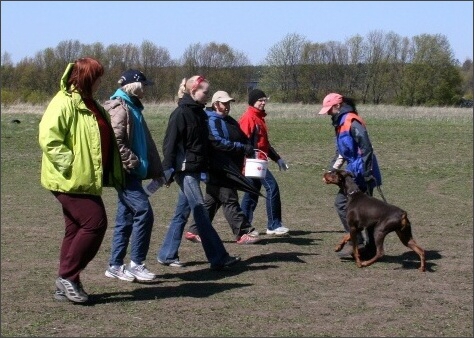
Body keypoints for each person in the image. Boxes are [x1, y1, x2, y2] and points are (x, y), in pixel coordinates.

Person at [38, 57, 125, 303]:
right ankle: (67, 276)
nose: (100, 81)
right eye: (97, 76)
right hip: (70, 178)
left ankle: (65, 284)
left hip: (85, 178)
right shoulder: (64, 102)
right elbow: (49, 138)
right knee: (95, 223)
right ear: (87, 77)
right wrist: (72, 164)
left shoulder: (89, 102)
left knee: (75, 228)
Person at [156, 76, 241, 270]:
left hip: (196, 169)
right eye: (205, 92)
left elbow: (205, 143)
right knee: (201, 211)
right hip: (185, 171)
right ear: (193, 91)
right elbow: (169, 145)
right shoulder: (180, 114)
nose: (208, 96)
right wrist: (167, 171)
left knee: (182, 212)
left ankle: (166, 254)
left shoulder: (201, 114)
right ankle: (218, 256)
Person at [103, 69, 166, 282]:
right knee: (144, 212)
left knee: (125, 218)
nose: (146, 90)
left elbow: (144, 143)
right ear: (134, 86)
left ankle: (115, 265)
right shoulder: (121, 108)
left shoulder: (133, 107)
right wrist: (134, 163)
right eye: (144, 86)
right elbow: (116, 141)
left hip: (133, 172)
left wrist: (156, 171)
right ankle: (136, 264)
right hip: (127, 172)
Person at [185, 90, 261, 245]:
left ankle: (194, 231)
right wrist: (241, 147)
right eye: (224, 103)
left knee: (212, 201)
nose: (227, 106)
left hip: (229, 167)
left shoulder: (229, 120)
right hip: (219, 168)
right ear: (215, 104)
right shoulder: (211, 120)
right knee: (230, 199)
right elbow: (217, 142)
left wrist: (248, 147)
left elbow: (242, 137)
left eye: (228, 103)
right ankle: (243, 232)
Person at [318, 92, 381, 258]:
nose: (328, 113)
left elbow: (366, 148)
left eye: (329, 109)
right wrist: (331, 171)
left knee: (347, 206)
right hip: (354, 172)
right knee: (354, 208)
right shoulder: (340, 124)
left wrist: (367, 174)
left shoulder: (352, 121)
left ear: (337, 106)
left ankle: (362, 245)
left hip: (363, 173)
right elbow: (341, 153)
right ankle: (364, 245)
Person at [238, 89, 290, 236]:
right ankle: (273, 225)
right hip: (253, 163)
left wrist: (277, 158)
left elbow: (264, 144)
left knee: (251, 194)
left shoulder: (259, 118)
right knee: (272, 187)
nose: (262, 102)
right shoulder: (249, 118)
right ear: (252, 102)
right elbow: (242, 142)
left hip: (258, 162)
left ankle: (243, 228)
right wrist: (246, 160)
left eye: (264, 100)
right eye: (259, 100)